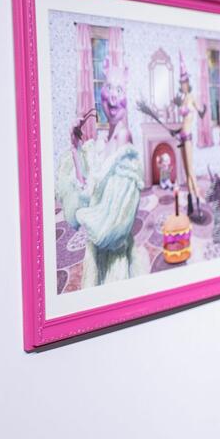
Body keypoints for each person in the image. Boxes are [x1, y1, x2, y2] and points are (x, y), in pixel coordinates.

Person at [56, 61, 147, 288]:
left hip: (113, 254)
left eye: (120, 90)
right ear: (101, 94)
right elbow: (87, 191)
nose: (114, 96)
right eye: (109, 88)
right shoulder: (103, 141)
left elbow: (117, 221)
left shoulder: (124, 138)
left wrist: (86, 215)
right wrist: (75, 148)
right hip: (96, 249)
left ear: (126, 97)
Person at [173, 52, 206, 218]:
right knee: (186, 171)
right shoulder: (183, 98)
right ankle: (191, 203)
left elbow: (200, 112)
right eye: (182, 83)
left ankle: (198, 201)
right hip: (182, 135)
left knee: (191, 171)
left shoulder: (192, 97)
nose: (184, 85)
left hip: (188, 137)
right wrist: (177, 131)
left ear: (188, 83)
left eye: (186, 82)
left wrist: (203, 109)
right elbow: (184, 121)